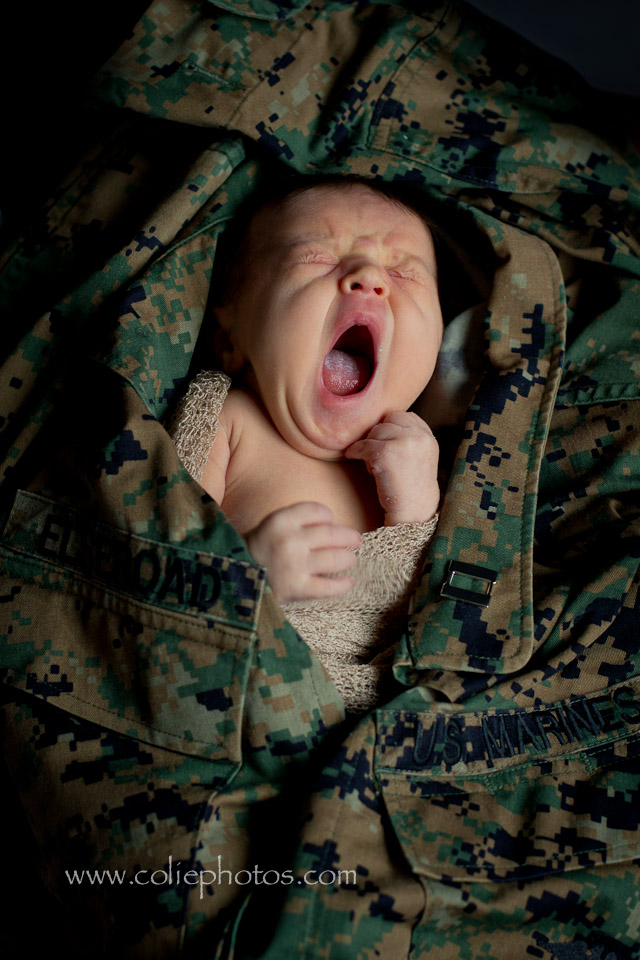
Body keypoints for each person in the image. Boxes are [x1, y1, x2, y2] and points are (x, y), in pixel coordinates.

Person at [172, 177, 443, 710]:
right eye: (316, 256)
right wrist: (247, 576)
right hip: (249, 693)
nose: (368, 277)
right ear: (231, 338)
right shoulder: (226, 416)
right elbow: (162, 554)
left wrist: (418, 514)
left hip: (376, 718)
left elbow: (430, 616)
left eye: (404, 271)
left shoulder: (430, 453)